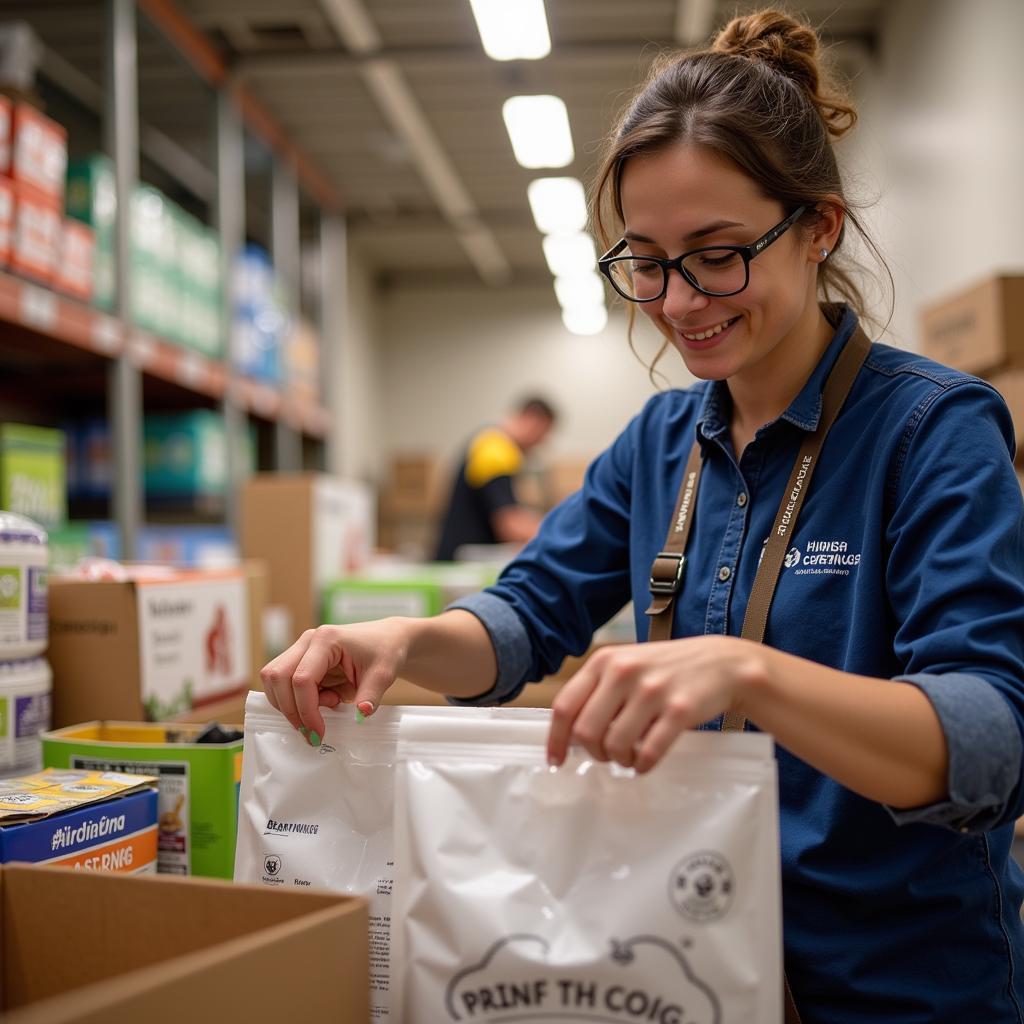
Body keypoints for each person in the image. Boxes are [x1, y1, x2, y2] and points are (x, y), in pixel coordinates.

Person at [260, 10, 1024, 1022]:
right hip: (689, 960)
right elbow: (525, 620)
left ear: (818, 227)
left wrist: (749, 671)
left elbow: (988, 737)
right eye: (646, 261)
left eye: (716, 253)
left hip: (895, 986)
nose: (677, 301)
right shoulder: (658, 443)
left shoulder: (932, 429)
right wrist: (400, 638)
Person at [433, 395, 557, 561]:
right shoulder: (495, 450)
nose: (540, 443)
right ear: (532, 422)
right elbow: (509, 523)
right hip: (463, 564)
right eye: (542, 435)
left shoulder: (492, 444)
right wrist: (557, 534)